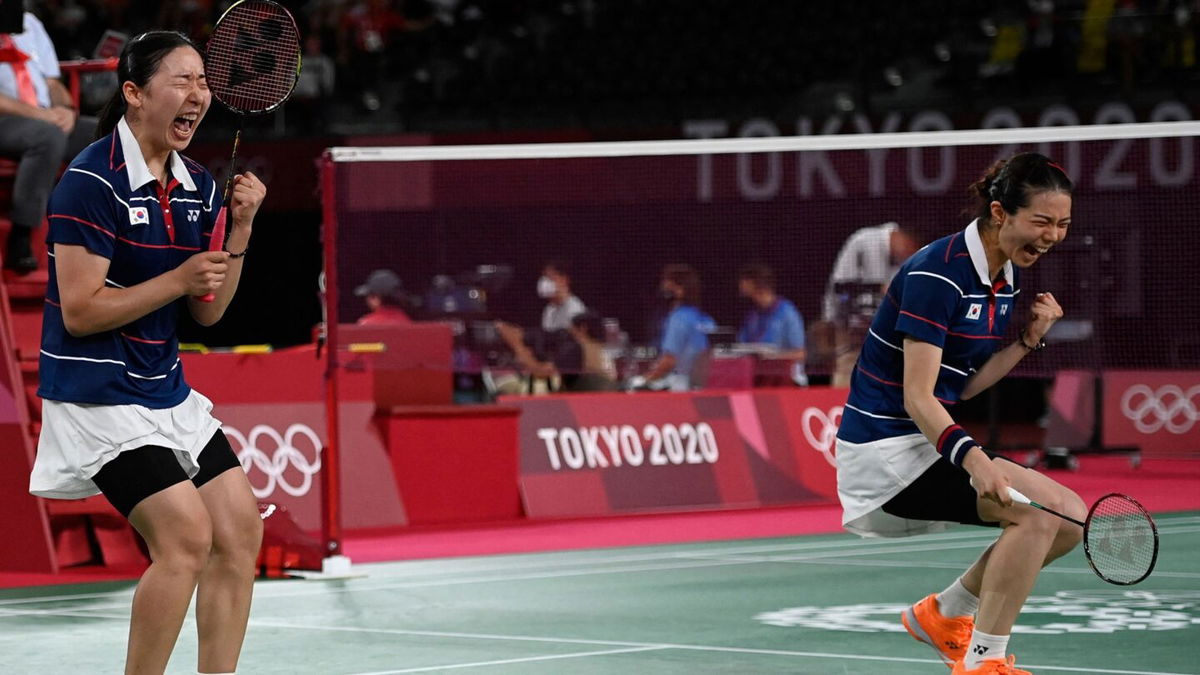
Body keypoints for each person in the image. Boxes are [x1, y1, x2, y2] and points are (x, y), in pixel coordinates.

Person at [27, 32, 266, 675]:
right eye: (182, 81)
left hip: (163, 387)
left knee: (239, 530)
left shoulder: (196, 186)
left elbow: (209, 311)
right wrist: (176, 280)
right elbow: (79, 311)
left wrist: (238, 230)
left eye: (203, 83)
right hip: (97, 394)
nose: (198, 95)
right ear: (133, 94)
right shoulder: (90, 182)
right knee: (185, 538)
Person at [834, 153, 1084, 675]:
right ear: (1000, 213)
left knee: (1071, 519)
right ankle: (983, 661)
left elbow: (961, 387)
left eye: (1062, 224)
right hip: (884, 449)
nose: (1053, 235)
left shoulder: (1004, 275)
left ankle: (945, 614)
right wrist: (974, 460)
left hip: (924, 440)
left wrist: (1026, 341)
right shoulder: (937, 275)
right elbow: (918, 397)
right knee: (1037, 516)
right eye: (1041, 221)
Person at [0, 10, 99, 273]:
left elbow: (52, 82)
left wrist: (66, 109)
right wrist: (42, 116)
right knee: (47, 136)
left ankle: (106, 226)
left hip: (44, 116)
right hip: (8, 118)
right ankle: (22, 235)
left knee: (106, 132)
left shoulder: (29, 22)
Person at [822, 221, 919, 386]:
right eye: (908, 249)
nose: (906, 255)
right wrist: (878, 288)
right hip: (848, 326)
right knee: (847, 369)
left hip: (883, 327)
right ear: (901, 237)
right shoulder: (863, 240)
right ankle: (841, 407)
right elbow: (841, 287)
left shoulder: (905, 259)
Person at [633, 264, 715, 391]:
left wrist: (644, 380)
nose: (663, 289)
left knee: (631, 386)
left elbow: (669, 361)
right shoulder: (706, 319)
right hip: (704, 388)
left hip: (679, 386)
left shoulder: (678, 318)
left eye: (668, 286)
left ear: (680, 289)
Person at [736, 263, 808, 386]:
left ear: (757, 284)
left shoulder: (787, 313)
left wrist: (772, 356)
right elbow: (741, 346)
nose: (740, 285)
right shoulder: (752, 315)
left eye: (745, 280)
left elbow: (801, 354)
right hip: (758, 378)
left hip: (787, 380)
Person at [538, 259, 586, 332]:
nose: (544, 282)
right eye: (544, 277)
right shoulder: (549, 309)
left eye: (549, 278)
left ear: (564, 280)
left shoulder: (575, 310)